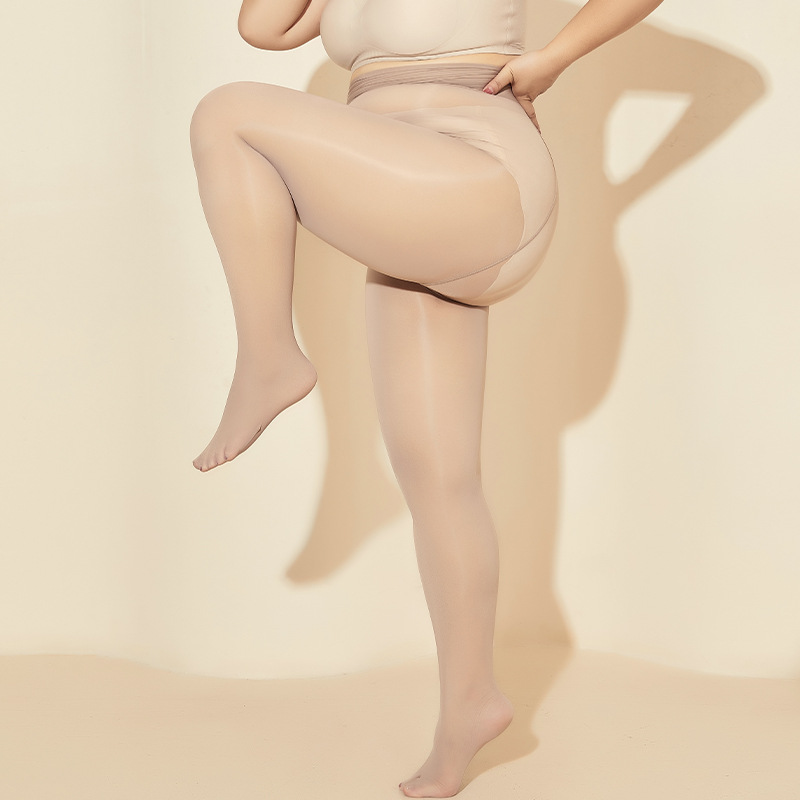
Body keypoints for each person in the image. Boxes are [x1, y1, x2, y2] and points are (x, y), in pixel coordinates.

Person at [188, 0, 664, 795]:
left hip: (481, 178)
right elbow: (261, 27)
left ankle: (268, 358)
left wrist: (553, 61)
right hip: (413, 212)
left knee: (227, 114)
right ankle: (468, 706)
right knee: (436, 477)